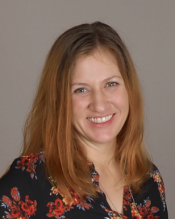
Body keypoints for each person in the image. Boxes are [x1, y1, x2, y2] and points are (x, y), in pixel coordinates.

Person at [0, 22, 168, 219]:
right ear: (59, 100)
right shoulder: (29, 178)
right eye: (81, 89)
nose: (99, 104)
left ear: (129, 89)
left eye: (111, 84)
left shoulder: (149, 178)